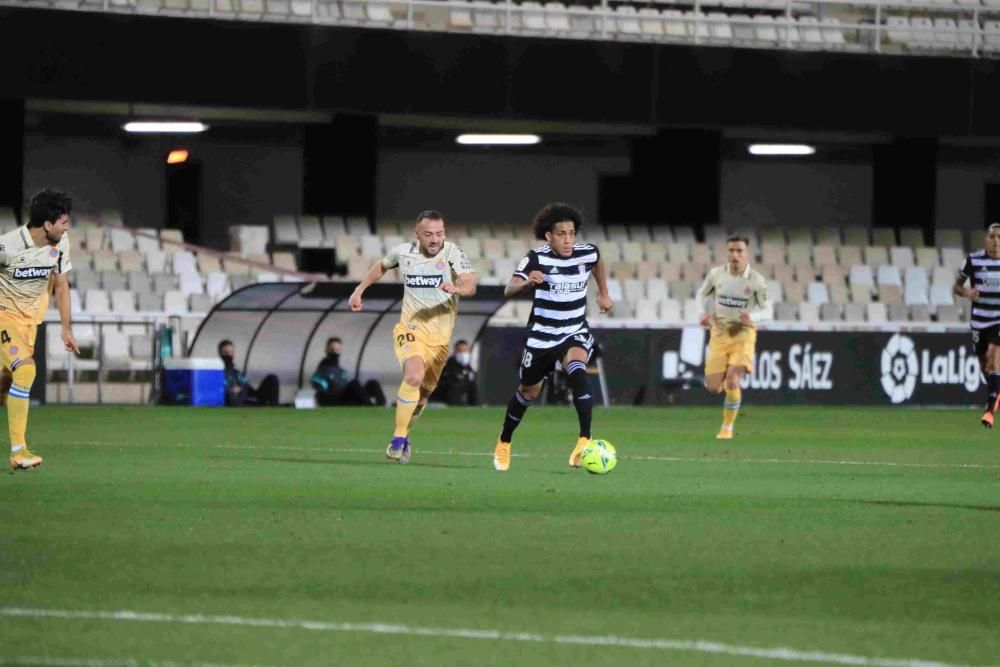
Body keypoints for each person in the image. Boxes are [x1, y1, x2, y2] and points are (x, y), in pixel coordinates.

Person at [492, 203, 613, 472]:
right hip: (541, 337)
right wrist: (527, 283)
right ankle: (504, 441)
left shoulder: (586, 253)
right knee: (528, 392)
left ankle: (584, 440)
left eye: (571, 233)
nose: (568, 239)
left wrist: (603, 292)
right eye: (561, 234)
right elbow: (508, 290)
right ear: (549, 236)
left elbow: (598, 261)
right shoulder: (536, 258)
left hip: (574, 330)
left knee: (577, 369)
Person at [349, 210, 476, 463]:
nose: (435, 239)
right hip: (410, 330)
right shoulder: (403, 252)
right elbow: (381, 266)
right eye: (429, 234)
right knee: (414, 376)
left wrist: (458, 287)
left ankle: (404, 436)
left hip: (439, 341)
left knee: (422, 397)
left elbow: (470, 284)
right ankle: (397, 439)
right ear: (416, 234)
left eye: (439, 234)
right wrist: (359, 290)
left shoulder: (452, 253)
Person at [2, 189, 80, 471]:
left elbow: (61, 286)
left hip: (29, 324)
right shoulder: (7, 246)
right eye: (64, 222)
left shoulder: (60, 244)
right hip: (3, 318)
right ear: (48, 224)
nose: (67, 227)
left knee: (5, 387)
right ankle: (18, 451)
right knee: (26, 370)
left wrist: (66, 329)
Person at [697, 234, 772, 440]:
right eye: (731, 250)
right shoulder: (716, 274)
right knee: (713, 387)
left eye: (739, 251)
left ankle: (727, 428)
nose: (735, 255)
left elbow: (768, 311)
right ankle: (727, 391)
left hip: (743, 334)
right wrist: (703, 313)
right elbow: (702, 294)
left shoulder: (756, 280)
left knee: (732, 380)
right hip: (719, 333)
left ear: (746, 254)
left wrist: (752, 317)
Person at [954, 222, 1000, 427]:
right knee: (984, 367)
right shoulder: (973, 260)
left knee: (992, 358)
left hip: (998, 320)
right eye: (992, 237)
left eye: (999, 237)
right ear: (986, 240)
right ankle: (996, 391)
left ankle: (989, 410)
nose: (996, 241)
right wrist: (967, 293)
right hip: (979, 321)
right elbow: (956, 287)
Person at [310, 336, 385, 406]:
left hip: (346, 397)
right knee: (354, 383)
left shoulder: (341, 371)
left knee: (373, 383)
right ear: (327, 350)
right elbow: (321, 392)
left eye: (337, 350)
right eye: (332, 349)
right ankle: (370, 406)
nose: (335, 352)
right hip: (334, 399)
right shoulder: (322, 369)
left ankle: (382, 406)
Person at [218, 339, 279, 406]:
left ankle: (274, 406)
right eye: (226, 352)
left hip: (245, 399)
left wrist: (241, 388)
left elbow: (248, 388)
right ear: (220, 354)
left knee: (272, 378)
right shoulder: (216, 373)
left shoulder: (236, 373)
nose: (229, 355)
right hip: (233, 402)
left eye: (231, 352)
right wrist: (230, 390)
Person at [430, 339, 478, 406]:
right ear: (455, 352)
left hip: (464, 405)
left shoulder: (469, 370)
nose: (463, 354)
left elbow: (473, 390)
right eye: (460, 351)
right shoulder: (446, 368)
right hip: (445, 404)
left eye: (465, 351)